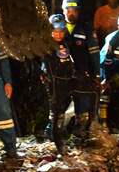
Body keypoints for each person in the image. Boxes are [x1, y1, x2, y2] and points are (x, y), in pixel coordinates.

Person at [40, 14, 100, 154]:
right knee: (58, 115)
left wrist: (84, 75)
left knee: (94, 91)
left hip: (69, 81)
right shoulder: (46, 45)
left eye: (61, 31)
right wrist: (46, 78)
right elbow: (42, 65)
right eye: (56, 31)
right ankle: (57, 144)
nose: (59, 34)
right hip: (56, 83)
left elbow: (74, 59)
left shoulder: (67, 42)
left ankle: (89, 127)